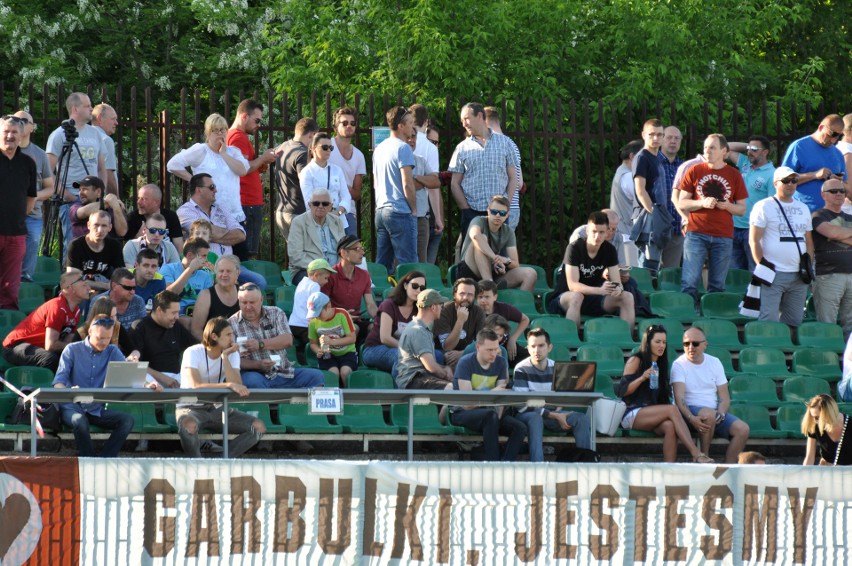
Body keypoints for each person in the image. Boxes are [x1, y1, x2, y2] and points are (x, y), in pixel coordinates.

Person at [52, 315, 148, 458]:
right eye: (100, 338)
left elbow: (129, 375)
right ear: (90, 332)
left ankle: (106, 459)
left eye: (108, 338)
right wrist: (68, 392)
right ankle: (89, 459)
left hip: (95, 409)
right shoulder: (71, 349)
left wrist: (148, 384)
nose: (104, 342)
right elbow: (58, 381)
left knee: (127, 420)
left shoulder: (113, 351)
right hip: (72, 406)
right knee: (79, 420)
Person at [617, 324, 714, 463]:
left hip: (653, 413)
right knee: (672, 409)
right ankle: (696, 454)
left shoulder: (661, 364)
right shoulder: (636, 360)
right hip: (632, 412)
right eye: (657, 342)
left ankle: (669, 468)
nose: (661, 345)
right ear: (648, 342)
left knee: (669, 426)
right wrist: (642, 378)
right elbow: (623, 391)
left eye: (664, 342)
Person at [177, 317, 265, 458]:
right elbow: (196, 386)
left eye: (233, 334)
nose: (233, 338)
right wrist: (228, 385)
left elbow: (238, 384)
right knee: (189, 426)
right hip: (190, 407)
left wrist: (225, 357)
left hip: (217, 408)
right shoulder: (192, 352)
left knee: (258, 427)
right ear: (214, 336)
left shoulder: (231, 354)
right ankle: (196, 464)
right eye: (228, 334)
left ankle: (222, 461)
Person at [678, 134, 747, 304]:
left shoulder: (734, 174)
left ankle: (714, 317)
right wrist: (702, 202)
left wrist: (728, 206)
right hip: (696, 232)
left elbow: (742, 209)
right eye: (705, 147)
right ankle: (689, 315)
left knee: (717, 284)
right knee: (689, 281)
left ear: (724, 151)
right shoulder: (695, 170)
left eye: (712, 147)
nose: (707, 151)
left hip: (723, 235)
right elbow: (682, 203)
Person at [671, 327, 750, 463]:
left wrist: (721, 412)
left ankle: (729, 468)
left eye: (695, 343)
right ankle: (703, 456)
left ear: (705, 344)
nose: (690, 347)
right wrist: (691, 417)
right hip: (688, 412)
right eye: (686, 344)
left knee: (743, 429)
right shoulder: (678, 364)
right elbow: (679, 399)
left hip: (713, 413)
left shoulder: (715, 362)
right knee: (708, 414)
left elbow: (724, 397)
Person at [512, 328, 592, 462]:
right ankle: (538, 467)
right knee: (535, 419)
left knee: (581, 419)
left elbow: (562, 397)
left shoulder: (557, 368)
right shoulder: (521, 369)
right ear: (528, 348)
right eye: (533, 346)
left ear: (549, 347)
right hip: (529, 415)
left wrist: (559, 410)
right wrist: (553, 414)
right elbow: (522, 405)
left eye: (541, 346)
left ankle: (586, 464)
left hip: (553, 413)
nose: (537, 350)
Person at [748, 166, 813, 326]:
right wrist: (763, 267)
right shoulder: (763, 206)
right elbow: (754, 240)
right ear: (776, 183)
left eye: (794, 180)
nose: (790, 184)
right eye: (786, 180)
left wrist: (808, 264)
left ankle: (788, 350)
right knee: (768, 319)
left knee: (794, 321)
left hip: (799, 273)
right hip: (773, 272)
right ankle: (765, 350)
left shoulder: (803, 208)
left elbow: (808, 240)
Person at [449, 329, 527, 462]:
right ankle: (493, 463)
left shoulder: (501, 362)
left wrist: (498, 414)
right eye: (489, 350)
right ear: (478, 347)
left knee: (519, 428)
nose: (494, 354)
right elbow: (467, 404)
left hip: (491, 412)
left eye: (496, 349)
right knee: (490, 417)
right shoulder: (465, 363)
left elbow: (501, 397)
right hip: (461, 412)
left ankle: (506, 464)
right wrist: (491, 394)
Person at [45, 93, 108, 257]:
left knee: (96, 244)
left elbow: (102, 167)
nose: (91, 109)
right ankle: (70, 280)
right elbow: (47, 170)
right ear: (75, 109)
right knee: (73, 247)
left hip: (95, 200)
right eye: (87, 106)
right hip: (72, 199)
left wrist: (102, 193)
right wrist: (66, 195)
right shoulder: (59, 134)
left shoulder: (95, 134)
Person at [176, 174, 264, 289]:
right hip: (205, 264)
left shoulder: (220, 208)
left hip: (229, 263)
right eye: (212, 187)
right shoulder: (185, 211)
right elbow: (204, 232)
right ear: (199, 190)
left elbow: (241, 235)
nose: (215, 190)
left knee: (260, 282)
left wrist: (211, 234)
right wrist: (227, 234)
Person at [549, 211, 634, 328]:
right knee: (577, 296)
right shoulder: (574, 248)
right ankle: (573, 343)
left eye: (601, 232)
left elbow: (617, 282)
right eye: (594, 231)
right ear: (587, 231)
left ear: (607, 233)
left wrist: (618, 289)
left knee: (627, 297)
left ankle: (627, 342)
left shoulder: (610, 250)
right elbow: (573, 286)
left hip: (594, 299)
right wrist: (600, 290)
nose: (597, 236)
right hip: (565, 298)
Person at [229, 284, 324, 389]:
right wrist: (258, 365)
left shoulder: (276, 312)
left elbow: (288, 340)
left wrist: (260, 344)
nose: (248, 307)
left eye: (252, 302)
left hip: (284, 372)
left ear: (261, 300)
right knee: (252, 381)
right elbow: (233, 359)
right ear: (238, 301)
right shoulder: (231, 323)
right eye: (244, 302)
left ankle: (297, 404)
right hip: (256, 374)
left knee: (316, 376)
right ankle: (271, 404)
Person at [167, 113, 249, 230]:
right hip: (210, 212)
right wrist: (195, 180)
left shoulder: (234, 152)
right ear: (208, 133)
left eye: (223, 130)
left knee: (240, 246)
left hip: (233, 213)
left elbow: (242, 171)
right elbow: (172, 164)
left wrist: (223, 154)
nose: (220, 133)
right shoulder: (201, 150)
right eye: (215, 130)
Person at [449, 102, 519, 238]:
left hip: (499, 213)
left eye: (466, 119)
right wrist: (466, 208)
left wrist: (506, 205)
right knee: (471, 257)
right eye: (462, 120)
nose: (463, 124)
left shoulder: (505, 143)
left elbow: (513, 178)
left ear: (480, 116)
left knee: (499, 257)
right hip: (472, 213)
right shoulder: (462, 148)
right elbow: (454, 183)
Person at [2, 269, 88, 371]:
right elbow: (50, 346)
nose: (88, 285)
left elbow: (67, 344)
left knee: (73, 357)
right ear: (69, 288)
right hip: (14, 346)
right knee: (50, 359)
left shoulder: (76, 311)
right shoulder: (57, 307)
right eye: (82, 281)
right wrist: (80, 348)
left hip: (37, 347)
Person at [227, 99, 280, 259]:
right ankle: (248, 284)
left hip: (246, 202)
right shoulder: (238, 137)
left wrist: (262, 162)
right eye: (256, 120)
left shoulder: (234, 136)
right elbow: (243, 169)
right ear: (244, 116)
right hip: (247, 203)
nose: (258, 125)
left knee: (244, 253)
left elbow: (244, 166)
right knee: (248, 255)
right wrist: (263, 158)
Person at [372, 105, 418, 274]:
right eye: (410, 123)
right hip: (399, 210)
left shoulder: (380, 148)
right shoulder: (403, 148)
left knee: (382, 265)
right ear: (401, 125)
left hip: (381, 210)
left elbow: (376, 183)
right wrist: (413, 209)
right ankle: (412, 299)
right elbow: (407, 184)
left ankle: (378, 298)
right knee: (409, 265)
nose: (412, 127)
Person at [457, 195, 537, 291]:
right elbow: (476, 236)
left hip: (493, 271)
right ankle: (489, 285)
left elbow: (515, 263)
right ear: (488, 210)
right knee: (482, 238)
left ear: (507, 215)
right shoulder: (478, 220)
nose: (498, 216)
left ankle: (519, 305)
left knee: (530, 273)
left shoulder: (508, 231)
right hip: (469, 270)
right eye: (494, 212)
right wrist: (495, 258)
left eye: (502, 213)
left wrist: (504, 261)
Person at [12, 110, 55, 283]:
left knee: (32, 244)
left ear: (32, 127)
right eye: (16, 119)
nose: (20, 122)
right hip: (7, 216)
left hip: (32, 215)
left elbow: (50, 188)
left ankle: (25, 282)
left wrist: (33, 197)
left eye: (24, 120)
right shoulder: (4, 151)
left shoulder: (40, 155)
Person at [0, 115, 37, 310]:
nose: (10, 136)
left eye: (14, 132)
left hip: (16, 235)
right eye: (6, 131)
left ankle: (6, 331)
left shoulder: (28, 163)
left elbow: (31, 198)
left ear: (21, 134)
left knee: (10, 289)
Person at [130, 290, 198, 390]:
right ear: (159, 311)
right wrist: (163, 378)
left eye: (178, 313)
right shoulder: (141, 328)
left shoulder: (176, 326)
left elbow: (196, 348)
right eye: (174, 313)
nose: (177, 317)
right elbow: (134, 364)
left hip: (177, 379)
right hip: (150, 380)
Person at [726, 136, 776, 271]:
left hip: (754, 230)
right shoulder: (745, 165)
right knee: (734, 274)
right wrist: (748, 146)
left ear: (765, 152)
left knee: (755, 271)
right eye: (748, 149)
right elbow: (726, 147)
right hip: (734, 227)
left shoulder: (772, 174)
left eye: (754, 149)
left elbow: (772, 206)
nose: (749, 152)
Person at [811, 177, 852, 339]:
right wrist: (836, 234)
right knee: (826, 324)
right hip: (828, 275)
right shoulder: (817, 216)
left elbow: (835, 234)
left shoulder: (849, 217)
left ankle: (848, 361)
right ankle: (827, 359)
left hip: (851, 275)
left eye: (842, 191)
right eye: (833, 191)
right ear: (823, 195)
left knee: (850, 324)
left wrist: (838, 235)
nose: (839, 194)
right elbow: (832, 232)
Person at [781, 114, 847, 212]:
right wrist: (814, 175)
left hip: (831, 215)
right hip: (802, 212)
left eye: (838, 136)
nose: (833, 140)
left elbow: (846, 186)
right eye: (831, 134)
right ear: (821, 127)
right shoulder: (799, 147)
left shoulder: (838, 154)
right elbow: (783, 181)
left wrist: (837, 182)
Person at [362, 270, 426, 372]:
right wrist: (409, 349)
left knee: (438, 356)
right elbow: (385, 338)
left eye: (422, 288)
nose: (418, 290)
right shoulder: (389, 305)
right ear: (405, 285)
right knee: (402, 357)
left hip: (402, 349)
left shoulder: (419, 310)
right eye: (414, 286)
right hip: (375, 348)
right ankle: (402, 387)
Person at [321, 235, 377, 346]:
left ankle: (365, 358)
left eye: (362, 249)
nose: (362, 253)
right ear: (344, 253)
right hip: (334, 321)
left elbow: (370, 305)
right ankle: (349, 358)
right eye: (357, 249)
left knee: (375, 328)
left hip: (356, 320)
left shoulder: (364, 275)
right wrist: (342, 315)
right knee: (353, 329)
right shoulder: (331, 275)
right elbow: (323, 307)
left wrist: (381, 319)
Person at [631, 118, 671, 275]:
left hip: (656, 214)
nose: (656, 138)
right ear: (643, 135)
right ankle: (643, 298)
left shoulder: (657, 157)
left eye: (659, 135)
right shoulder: (642, 157)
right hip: (646, 215)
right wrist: (654, 214)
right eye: (651, 134)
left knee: (654, 264)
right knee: (648, 265)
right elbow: (640, 190)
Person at [394, 289, 454, 390]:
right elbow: (431, 367)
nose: (442, 308)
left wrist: (445, 368)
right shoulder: (418, 331)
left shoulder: (420, 328)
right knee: (451, 387)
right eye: (441, 305)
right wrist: (446, 375)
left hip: (420, 378)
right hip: (412, 381)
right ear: (433, 307)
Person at [287, 187, 345, 284]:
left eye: (325, 204)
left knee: (356, 277)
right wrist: (322, 268)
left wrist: (339, 268)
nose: (320, 206)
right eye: (316, 203)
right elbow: (296, 256)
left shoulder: (337, 221)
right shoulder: (299, 222)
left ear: (330, 206)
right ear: (310, 205)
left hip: (335, 268)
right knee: (318, 279)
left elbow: (343, 250)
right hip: (307, 269)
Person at [274, 117, 319, 239]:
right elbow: (306, 182)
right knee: (307, 253)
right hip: (297, 212)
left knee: (295, 253)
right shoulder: (303, 153)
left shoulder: (283, 146)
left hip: (282, 210)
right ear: (312, 135)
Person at [300, 132, 353, 233]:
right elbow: (308, 202)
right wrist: (326, 214)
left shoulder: (337, 170)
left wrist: (338, 212)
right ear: (314, 148)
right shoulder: (307, 172)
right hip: (318, 224)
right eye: (325, 147)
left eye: (331, 148)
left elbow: (346, 196)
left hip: (339, 222)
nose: (328, 150)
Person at [328, 107, 367, 237]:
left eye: (352, 123)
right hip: (325, 209)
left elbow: (357, 193)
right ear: (335, 127)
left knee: (351, 253)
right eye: (344, 123)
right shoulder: (326, 148)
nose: (349, 126)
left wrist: (342, 187)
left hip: (348, 212)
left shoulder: (359, 156)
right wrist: (345, 187)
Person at [290, 258, 336, 365]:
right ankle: (326, 362)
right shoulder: (315, 286)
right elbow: (314, 307)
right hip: (306, 325)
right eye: (325, 278)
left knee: (301, 348)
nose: (326, 281)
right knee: (323, 341)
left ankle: (302, 360)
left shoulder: (302, 282)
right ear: (316, 275)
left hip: (293, 324)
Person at [65, 210, 125, 292]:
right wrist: (105, 286)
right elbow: (73, 280)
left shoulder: (114, 246)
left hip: (104, 289)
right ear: (88, 225)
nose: (100, 230)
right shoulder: (76, 245)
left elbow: (121, 275)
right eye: (96, 225)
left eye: (104, 226)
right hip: (79, 289)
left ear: (110, 227)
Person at [484, 107, 523, 231]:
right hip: (513, 209)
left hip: (497, 211)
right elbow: (520, 183)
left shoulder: (490, 144)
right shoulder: (512, 144)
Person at [307, 292, 358, 387]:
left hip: (347, 353)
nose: (316, 316)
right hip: (327, 355)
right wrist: (318, 351)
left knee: (345, 372)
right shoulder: (313, 321)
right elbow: (313, 343)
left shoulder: (342, 314)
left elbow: (352, 338)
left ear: (329, 306)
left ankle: (348, 398)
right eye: (314, 314)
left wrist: (331, 342)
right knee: (333, 374)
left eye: (319, 313)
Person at [433, 278, 486, 367]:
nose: (465, 297)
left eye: (470, 294)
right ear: (454, 295)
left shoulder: (479, 312)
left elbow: (482, 342)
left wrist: (463, 353)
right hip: (446, 353)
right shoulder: (444, 311)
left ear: (474, 297)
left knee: (499, 350)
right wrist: (460, 320)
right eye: (462, 293)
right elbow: (447, 347)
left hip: (467, 352)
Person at [405, 130, 440, 262]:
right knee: (401, 261)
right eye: (407, 136)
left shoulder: (421, 161)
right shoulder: (393, 159)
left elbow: (436, 182)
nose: (411, 140)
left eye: (413, 136)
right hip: (403, 216)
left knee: (421, 260)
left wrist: (417, 178)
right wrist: (424, 180)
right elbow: (403, 187)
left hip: (421, 218)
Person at [189, 254, 241, 340]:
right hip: (215, 346)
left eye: (228, 271)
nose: (224, 275)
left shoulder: (243, 293)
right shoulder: (206, 296)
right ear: (216, 273)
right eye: (221, 271)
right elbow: (196, 330)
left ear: (237, 273)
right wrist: (213, 348)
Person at [475, 279, 529, 361]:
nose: (483, 300)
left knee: (532, 360)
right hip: (483, 349)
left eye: (487, 297)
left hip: (506, 346)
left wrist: (513, 339)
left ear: (495, 297)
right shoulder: (473, 312)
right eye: (480, 297)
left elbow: (525, 320)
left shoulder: (504, 308)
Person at [609, 139, 644, 267]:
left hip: (626, 234)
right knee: (633, 274)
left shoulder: (621, 172)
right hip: (628, 236)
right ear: (632, 156)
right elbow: (644, 200)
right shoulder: (629, 177)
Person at [160, 237, 214, 315]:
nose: (206, 260)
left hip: (197, 316)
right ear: (189, 255)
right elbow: (169, 296)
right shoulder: (168, 269)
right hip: (174, 315)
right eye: (203, 256)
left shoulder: (205, 276)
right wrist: (190, 270)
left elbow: (208, 303)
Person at [125, 183, 184, 254]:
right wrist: (139, 237)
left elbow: (179, 248)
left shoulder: (171, 216)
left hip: (167, 261)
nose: (139, 202)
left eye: (144, 199)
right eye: (138, 198)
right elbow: (128, 249)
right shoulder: (133, 217)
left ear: (156, 202)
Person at [74, 296, 140, 359]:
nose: (114, 319)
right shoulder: (81, 332)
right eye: (111, 317)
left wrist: (133, 356)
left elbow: (133, 349)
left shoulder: (117, 327)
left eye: (115, 315)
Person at [658, 126, 685, 268]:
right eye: (669, 137)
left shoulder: (684, 167)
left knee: (671, 274)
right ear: (661, 139)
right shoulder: (652, 163)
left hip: (676, 229)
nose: (673, 141)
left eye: (677, 138)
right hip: (655, 228)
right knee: (650, 272)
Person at [68, 175, 127, 240]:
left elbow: (122, 232)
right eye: (80, 190)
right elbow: (83, 212)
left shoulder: (111, 209)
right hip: (82, 248)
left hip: (107, 248)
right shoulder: (75, 207)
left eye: (85, 189)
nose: (80, 193)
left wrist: (116, 207)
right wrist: (109, 202)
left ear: (98, 192)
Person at [802, 394, 852, 466]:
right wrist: (804, 475)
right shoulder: (814, 426)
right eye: (812, 417)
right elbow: (809, 457)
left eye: (817, 417)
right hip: (826, 471)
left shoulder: (850, 424)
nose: (815, 421)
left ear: (828, 414)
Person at [424, 125, 445, 264]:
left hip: (435, 225)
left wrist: (440, 219)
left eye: (436, 143)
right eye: (431, 142)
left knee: (428, 270)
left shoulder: (433, 163)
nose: (434, 147)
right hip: (422, 223)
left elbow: (436, 192)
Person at [91, 103, 119, 196]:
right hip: (102, 200)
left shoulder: (85, 138)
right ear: (99, 119)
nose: (116, 123)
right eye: (113, 119)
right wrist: (116, 203)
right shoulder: (106, 140)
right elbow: (108, 175)